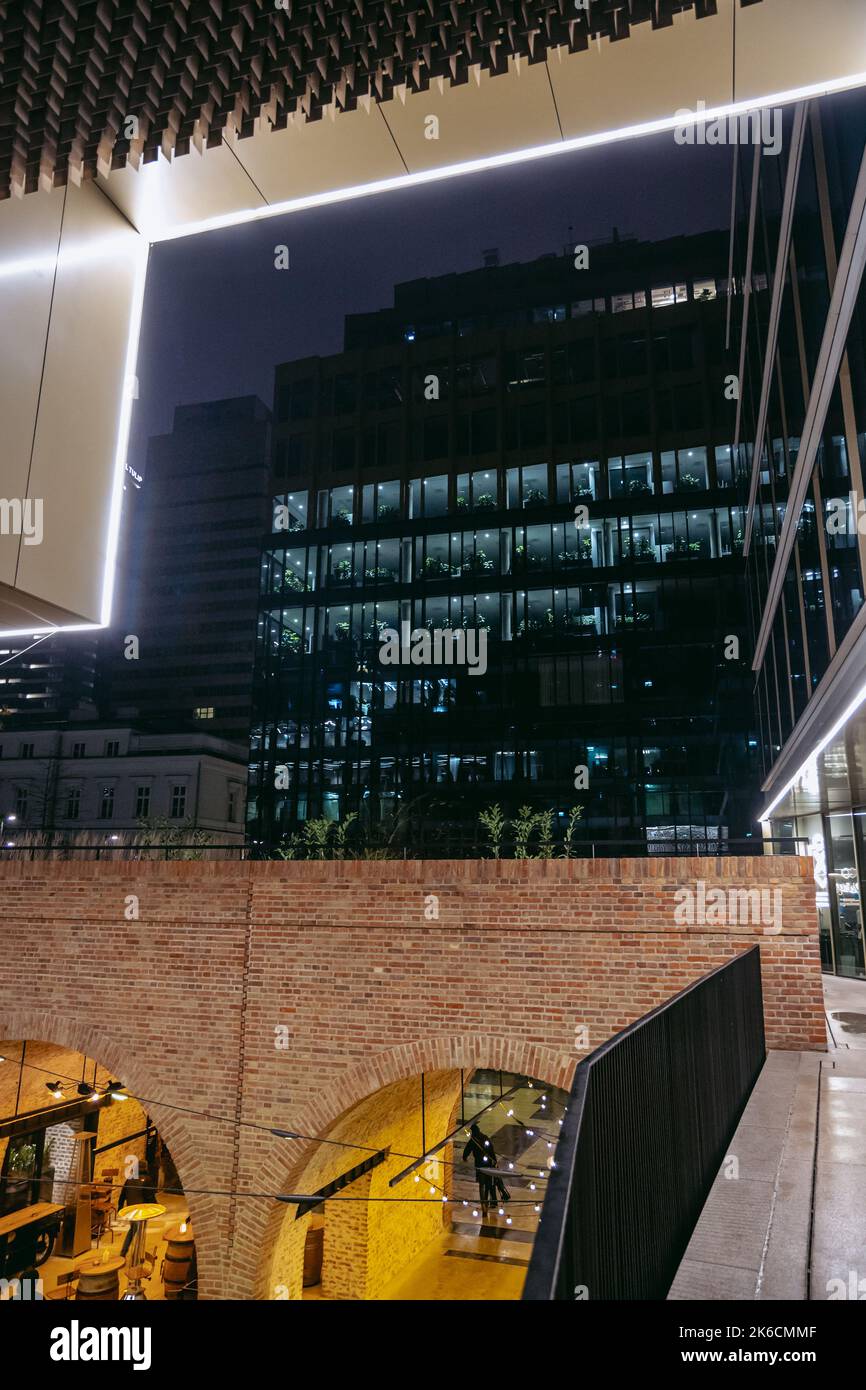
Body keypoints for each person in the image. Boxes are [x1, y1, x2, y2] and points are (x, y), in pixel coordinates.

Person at [463, 1123, 498, 1216]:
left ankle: (484, 1204)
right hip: (488, 1165)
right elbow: (491, 1150)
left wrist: (465, 1157)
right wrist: (495, 1161)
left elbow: (467, 1150)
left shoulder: (473, 1140)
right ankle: (491, 1201)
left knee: (481, 1185)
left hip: (479, 1166)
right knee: (489, 1183)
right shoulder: (485, 1137)